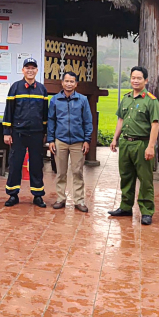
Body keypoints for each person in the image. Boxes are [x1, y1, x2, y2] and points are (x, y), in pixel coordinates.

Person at [108, 66, 159, 225]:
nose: (135, 81)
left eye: (139, 78)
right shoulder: (126, 98)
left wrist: (150, 146)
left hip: (141, 144)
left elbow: (155, 125)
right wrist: (115, 138)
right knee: (126, 176)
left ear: (146, 80)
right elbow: (121, 120)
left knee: (145, 179)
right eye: (133, 78)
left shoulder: (151, 100)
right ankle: (125, 207)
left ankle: (146, 211)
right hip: (126, 143)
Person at [2, 57, 49, 207]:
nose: (30, 70)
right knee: (15, 164)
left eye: (33, 68)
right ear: (23, 70)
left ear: (36, 70)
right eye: (27, 67)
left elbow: (45, 114)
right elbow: (8, 111)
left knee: (36, 165)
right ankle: (13, 195)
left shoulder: (42, 90)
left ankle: (37, 195)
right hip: (18, 133)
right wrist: (6, 132)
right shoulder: (15, 88)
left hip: (36, 133)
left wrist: (46, 132)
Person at [47, 71, 93, 212]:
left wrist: (87, 140)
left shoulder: (82, 100)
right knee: (60, 172)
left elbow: (88, 121)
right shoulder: (55, 100)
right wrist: (51, 140)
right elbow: (51, 120)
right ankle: (61, 198)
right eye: (66, 81)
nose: (69, 84)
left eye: (72, 81)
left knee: (77, 172)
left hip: (78, 142)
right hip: (60, 140)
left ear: (76, 84)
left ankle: (79, 200)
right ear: (62, 83)